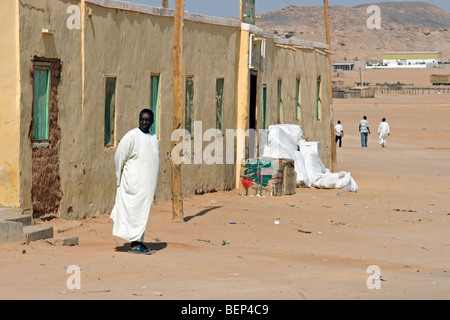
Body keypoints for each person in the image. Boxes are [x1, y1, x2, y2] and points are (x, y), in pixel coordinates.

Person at [110, 109, 160, 254]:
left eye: (147, 120)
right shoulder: (131, 136)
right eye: (142, 119)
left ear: (152, 121)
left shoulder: (153, 136)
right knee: (134, 212)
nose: (144, 122)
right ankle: (134, 243)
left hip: (146, 187)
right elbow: (119, 157)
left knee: (142, 212)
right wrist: (120, 178)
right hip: (134, 185)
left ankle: (138, 241)